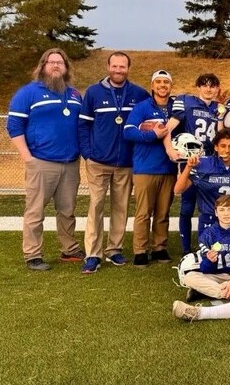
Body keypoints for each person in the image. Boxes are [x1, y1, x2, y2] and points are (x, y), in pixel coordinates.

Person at [7, 48, 85, 271]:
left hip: (70, 163)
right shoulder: (28, 93)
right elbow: (14, 126)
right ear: (42, 66)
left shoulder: (74, 95)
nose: (56, 66)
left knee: (67, 210)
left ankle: (69, 249)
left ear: (66, 67)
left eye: (60, 62)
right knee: (35, 211)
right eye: (51, 62)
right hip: (41, 162)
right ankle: (33, 254)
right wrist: (27, 157)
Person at [78, 52, 150, 273]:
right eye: (115, 66)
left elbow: (152, 116)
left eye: (123, 67)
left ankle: (114, 250)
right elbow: (83, 126)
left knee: (120, 208)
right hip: (98, 161)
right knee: (96, 206)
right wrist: (88, 153)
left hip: (126, 163)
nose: (118, 70)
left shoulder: (138, 93)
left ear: (129, 68)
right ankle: (93, 254)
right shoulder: (93, 92)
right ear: (108, 66)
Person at [163, 73, 221, 254]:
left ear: (217, 88)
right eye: (204, 85)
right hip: (191, 161)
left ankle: (213, 246)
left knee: (213, 207)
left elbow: (222, 136)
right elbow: (167, 128)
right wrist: (170, 150)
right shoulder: (186, 102)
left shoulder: (219, 109)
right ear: (198, 87)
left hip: (211, 162)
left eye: (212, 86)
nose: (208, 89)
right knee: (187, 205)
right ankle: (186, 250)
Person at [123, 69, 176, 267]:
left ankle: (159, 247)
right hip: (146, 167)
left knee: (163, 212)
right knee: (144, 212)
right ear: (152, 86)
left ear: (171, 86)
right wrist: (152, 135)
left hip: (169, 168)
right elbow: (128, 132)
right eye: (159, 82)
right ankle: (140, 250)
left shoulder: (175, 108)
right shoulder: (142, 107)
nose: (163, 86)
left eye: (166, 83)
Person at [174, 129, 230, 237]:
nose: (227, 150)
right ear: (216, 147)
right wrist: (189, 167)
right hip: (209, 218)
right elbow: (178, 190)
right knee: (210, 252)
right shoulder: (203, 164)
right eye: (223, 146)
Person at [180, 195, 230, 301]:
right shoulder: (208, 234)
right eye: (222, 210)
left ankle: (207, 292)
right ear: (216, 213)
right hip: (215, 275)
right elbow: (205, 269)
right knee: (190, 277)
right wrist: (210, 261)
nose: (226, 213)